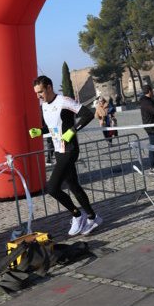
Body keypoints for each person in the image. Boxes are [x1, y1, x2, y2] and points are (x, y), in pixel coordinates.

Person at [31, 75, 102, 236]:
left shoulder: (64, 101)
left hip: (69, 150)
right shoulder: (44, 106)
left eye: (40, 92)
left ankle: (77, 215)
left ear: (49, 87)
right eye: (36, 93)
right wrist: (39, 131)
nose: (38, 96)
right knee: (73, 186)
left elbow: (87, 114)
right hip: (58, 151)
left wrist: (73, 130)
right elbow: (52, 127)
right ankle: (93, 217)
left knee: (52, 188)